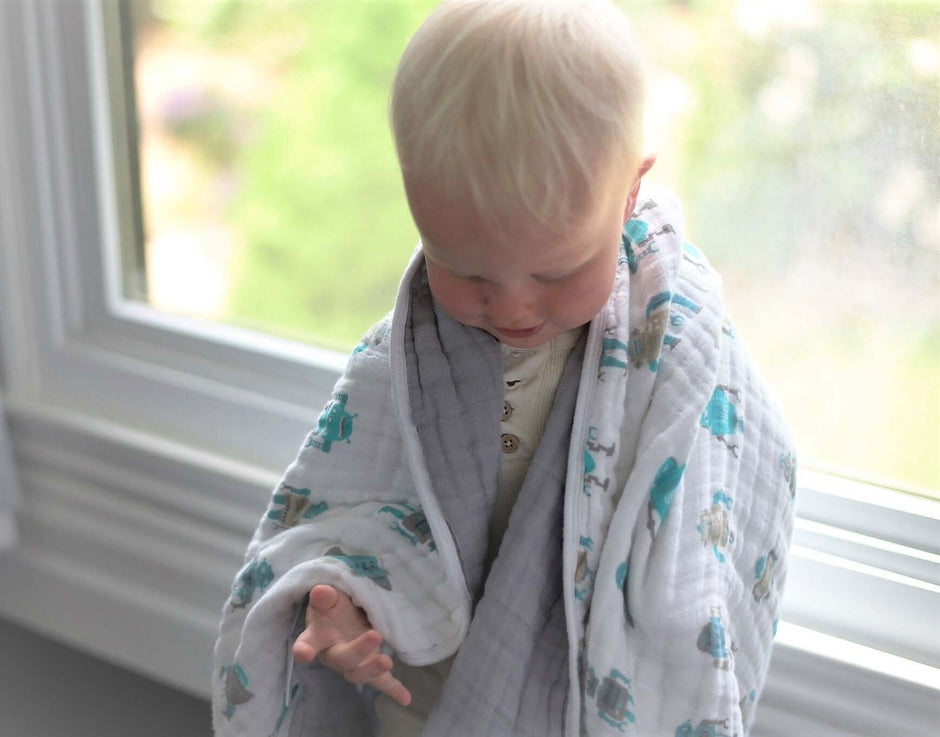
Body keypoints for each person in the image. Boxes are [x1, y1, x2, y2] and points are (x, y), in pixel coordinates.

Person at [212, 1, 797, 736]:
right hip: (429, 698)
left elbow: (733, 495)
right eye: (465, 268)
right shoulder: (407, 361)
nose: (514, 305)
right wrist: (339, 604)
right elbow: (348, 514)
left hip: (576, 704)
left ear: (629, 194)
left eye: (559, 270)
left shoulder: (676, 348)